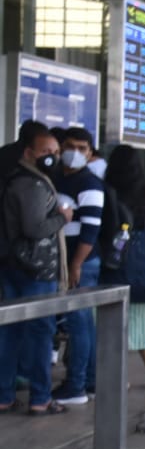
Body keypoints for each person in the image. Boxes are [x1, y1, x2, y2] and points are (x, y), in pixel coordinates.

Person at [0, 124, 72, 414]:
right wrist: (62, 218)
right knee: (40, 333)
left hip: (14, 265)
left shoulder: (17, 178)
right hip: (35, 269)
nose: (52, 157)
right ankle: (40, 398)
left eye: (56, 152)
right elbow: (34, 228)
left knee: (10, 333)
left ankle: (4, 395)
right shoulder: (32, 184)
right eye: (46, 151)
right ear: (29, 152)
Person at [100, 145, 145, 388]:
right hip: (144, 264)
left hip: (114, 264)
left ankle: (119, 378)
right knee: (142, 324)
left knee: (110, 324)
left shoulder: (107, 191)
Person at [51, 128, 105, 405]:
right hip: (66, 261)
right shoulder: (55, 177)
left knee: (79, 323)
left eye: (82, 148)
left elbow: (90, 230)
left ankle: (76, 386)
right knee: (83, 323)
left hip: (81, 263)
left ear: (90, 152)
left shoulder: (90, 184)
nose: (75, 152)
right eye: (70, 146)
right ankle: (91, 381)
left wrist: (75, 265)